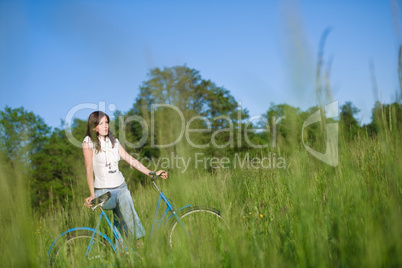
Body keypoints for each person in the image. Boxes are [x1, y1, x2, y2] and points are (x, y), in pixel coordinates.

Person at [82, 111, 167, 245]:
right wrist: (92, 195)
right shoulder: (88, 142)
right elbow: (88, 170)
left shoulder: (113, 141)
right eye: (101, 123)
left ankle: (123, 256)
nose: (106, 126)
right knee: (124, 195)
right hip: (105, 192)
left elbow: (131, 160)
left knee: (121, 225)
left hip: (121, 186)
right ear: (94, 127)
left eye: (107, 122)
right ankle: (140, 240)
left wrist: (152, 173)